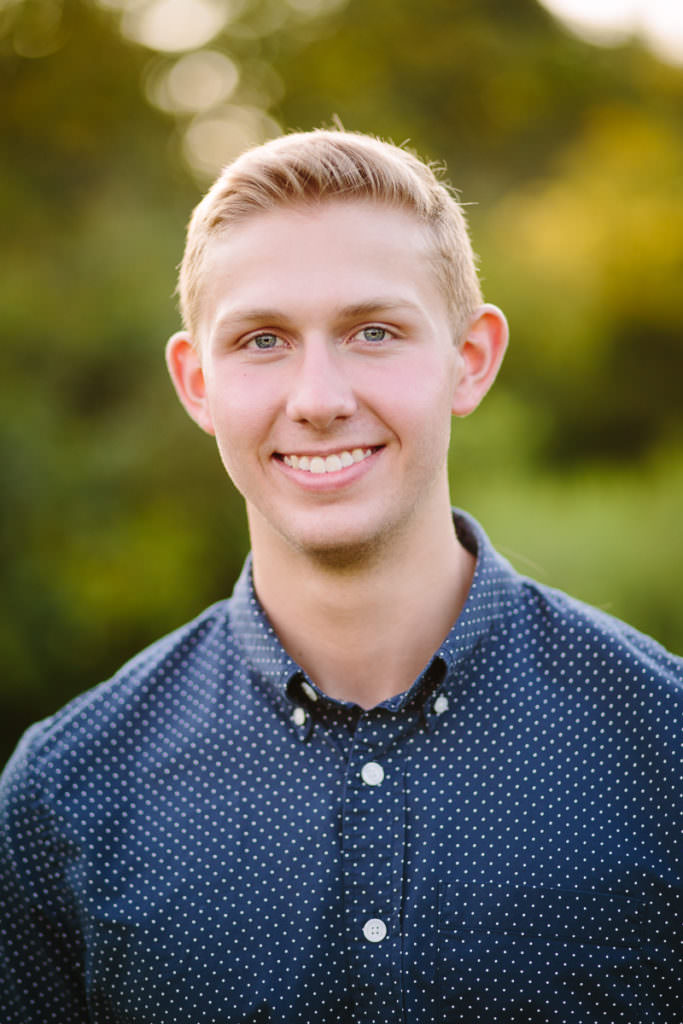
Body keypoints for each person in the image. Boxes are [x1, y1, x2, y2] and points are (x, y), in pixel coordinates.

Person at [1, 129, 681, 1024]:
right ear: (196, 381)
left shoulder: (661, 745)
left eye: (373, 331)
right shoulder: (64, 795)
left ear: (469, 360)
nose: (318, 399)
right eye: (261, 341)